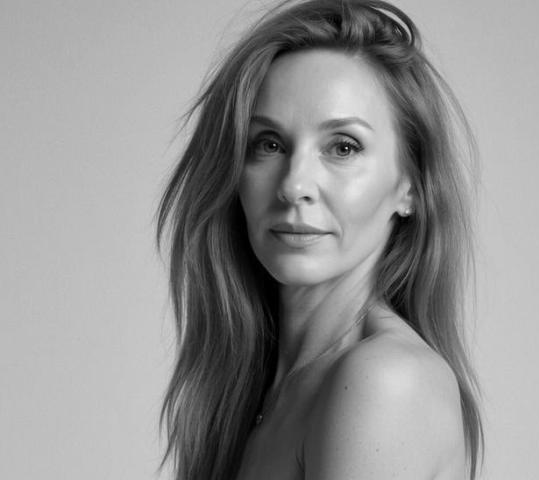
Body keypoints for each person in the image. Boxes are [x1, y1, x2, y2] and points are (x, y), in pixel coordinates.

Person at [156, 0, 483, 478]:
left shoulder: (385, 380)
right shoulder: (262, 390)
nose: (294, 185)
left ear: (410, 187)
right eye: (269, 144)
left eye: (343, 147)